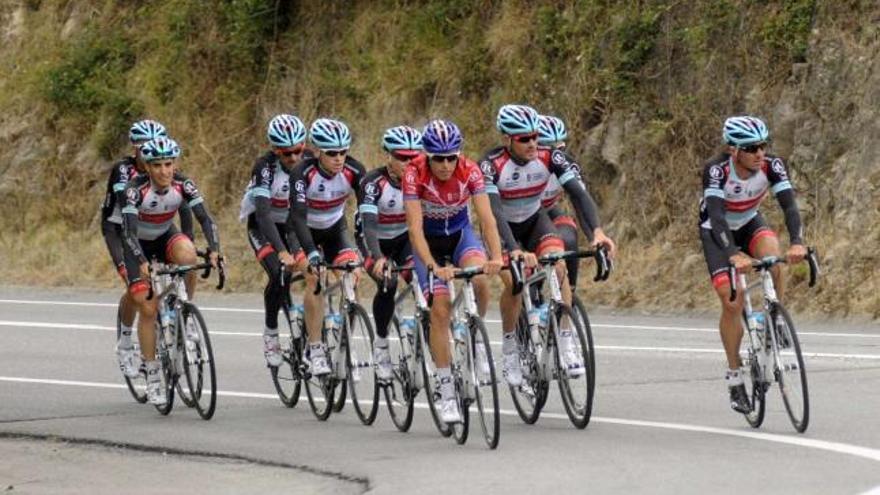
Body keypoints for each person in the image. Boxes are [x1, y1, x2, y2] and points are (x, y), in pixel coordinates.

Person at [479, 104, 609, 386]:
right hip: (501, 229)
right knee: (515, 282)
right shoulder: (491, 165)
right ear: (507, 139)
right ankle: (511, 348)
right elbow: (494, 213)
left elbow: (578, 194)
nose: (532, 143)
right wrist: (513, 249)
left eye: (535, 136)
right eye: (524, 139)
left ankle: (564, 337)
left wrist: (597, 232)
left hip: (534, 219)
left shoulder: (550, 157)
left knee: (558, 262)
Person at [699, 115, 807, 414]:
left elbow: (788, 205)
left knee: (773, 256)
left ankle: (775, 317)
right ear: (734, 150)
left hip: (749, 222)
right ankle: (735, 378)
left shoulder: (772, 165)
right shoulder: (716, 170)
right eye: (752, 148)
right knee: (732, 302)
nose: (761, 153)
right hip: (717, 232)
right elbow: (717, 217)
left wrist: (797, 241)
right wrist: (733, 253)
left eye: (763, 145)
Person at [403, 119, 505, 423]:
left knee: (480, 279)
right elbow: (414, 229)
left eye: (452, 157)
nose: (446, 165)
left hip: (461, 236)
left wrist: (497, 256)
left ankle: (473, 337)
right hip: (428, 246)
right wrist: (434, 266)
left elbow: (487, 219)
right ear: (427, 156)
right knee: (441, 309)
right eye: (439, 159)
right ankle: (446, 388)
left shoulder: (470, 170)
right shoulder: (414, 174)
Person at [121, 137, 221, 405]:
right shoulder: (134, 190)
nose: (165, 171)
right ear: (147, 167)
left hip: (164, 235)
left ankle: (184, 309)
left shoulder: (183, 183)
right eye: (158, 166)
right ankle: (153, 375)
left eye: (169, 164)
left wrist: (213, 249)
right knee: (149, 307)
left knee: (187, 253)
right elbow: (128, 232)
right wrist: (141, 260)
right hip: (136, 244)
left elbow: (205, 218)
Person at [102, 120, 192, 379]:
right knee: (138, 292)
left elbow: (182, 205)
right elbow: (128, 207)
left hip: (154, 227)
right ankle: (126, 340)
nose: (150, 151)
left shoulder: (162, 165)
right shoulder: (123, 171)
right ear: (135, 149)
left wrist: (185, 240)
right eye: (144, 148)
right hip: (120, 231)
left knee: (183, 257)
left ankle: (181, 313)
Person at [288, 118, 366, 376]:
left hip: (335, 230)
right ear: (318, 151)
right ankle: (316, 347)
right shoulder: (302, 172)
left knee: (351, 277)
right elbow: (298, 217)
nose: (339, 158)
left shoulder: (355, 170)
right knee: (315, 276)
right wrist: (311, 253)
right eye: (332, 153)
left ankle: (345, 344)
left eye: (343, 152)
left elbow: (366, 212)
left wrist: (364, 251)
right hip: (302, 231)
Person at [240, 114, 308, 367]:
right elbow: (264, 213)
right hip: (263, 226)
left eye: (298, 151)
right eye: (286, 153)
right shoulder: (264, 167)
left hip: (293, 223)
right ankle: (271, 333)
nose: (293, 158)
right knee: (280, 272)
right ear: (274, 150)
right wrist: (280, 251)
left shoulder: (311, 161)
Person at [356, 126, 422, 382]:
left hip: (404, 238)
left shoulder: (423, 179)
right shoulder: (373, 183)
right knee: (388, 282)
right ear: (389, 157)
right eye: (403, 157)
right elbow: (369, 226)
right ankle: (381, 344)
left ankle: (423, 337)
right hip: (374, 240)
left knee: (424, 281)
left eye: (414, 157)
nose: (410, 163)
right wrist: (378, 257)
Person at [537, 114, 617, 289]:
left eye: (561, 147)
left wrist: (595, 237)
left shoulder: (567, 165)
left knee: (569, 239)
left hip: (548, 210)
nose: (557, 154)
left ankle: (569, 297)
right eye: (550, 147)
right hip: (519, 217)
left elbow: (580, 200)